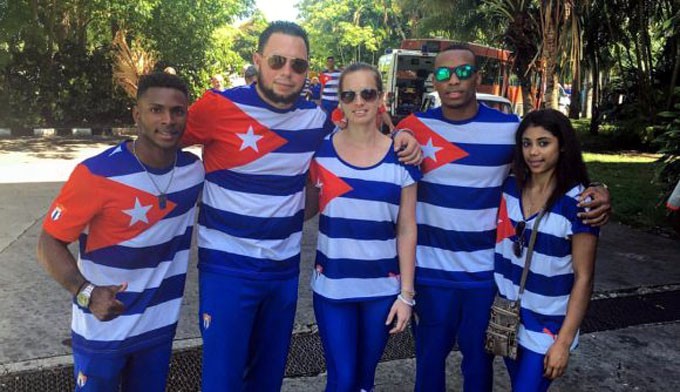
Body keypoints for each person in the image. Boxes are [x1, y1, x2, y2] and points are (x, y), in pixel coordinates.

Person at [182, 21, 421, 392]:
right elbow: (159, 141)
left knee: (268, 378)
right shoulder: (217, 106)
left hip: (283, 270)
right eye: (277, 61)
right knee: (222, 379)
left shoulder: (316, 121)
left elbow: (361, 128)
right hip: (226, 268)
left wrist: (404, 134)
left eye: (298, 65)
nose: (287, 72)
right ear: (257, 60)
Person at [395, 44, 611, 391]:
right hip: (430, 272)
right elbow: (369, 149)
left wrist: (598, 188)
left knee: (479, 365)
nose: (453, 80)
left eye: (463, 72)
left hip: (486, 276)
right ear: (433, 80)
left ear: (478, 77)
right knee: (428, 362)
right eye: (443, 73)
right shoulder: (411, 126)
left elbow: (551, 164)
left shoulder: (509, 129)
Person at [36, 72, 204, 391]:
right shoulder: (96, 173)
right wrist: (86, 292)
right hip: (102, 330)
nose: (168, 120)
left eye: (177, 111)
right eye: (156, 109)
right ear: (136, 115)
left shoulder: (193, 172)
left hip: (159, 328)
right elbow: (48, 242)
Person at [306, 62, 420, 392]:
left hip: (381, 292)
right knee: (341, 380)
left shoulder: (402, 158)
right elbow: (304, 210)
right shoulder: (321, 152)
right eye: (349, 94)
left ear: (380, 98)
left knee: (364, 381)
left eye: (367, 93)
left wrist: (407, 296)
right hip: (332, 289)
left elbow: (407, 229)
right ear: (339, 101)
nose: (359, 102)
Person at [494, 109, 599, 391]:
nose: (533, 152)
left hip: (548, 325)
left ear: (562, 145)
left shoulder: (578, 204)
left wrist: (563, 342)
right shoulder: (510, 187)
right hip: (508, 316)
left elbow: (584, 277)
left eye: (544, 142)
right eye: (527, 143)